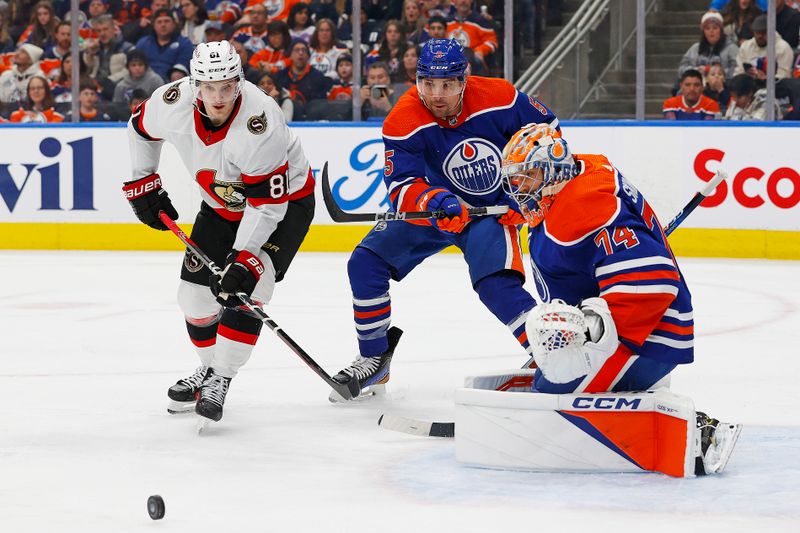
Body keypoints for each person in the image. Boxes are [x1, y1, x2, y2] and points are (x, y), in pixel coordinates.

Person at [496, 122, 740, 476]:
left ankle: (695, 434)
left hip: (646, 334)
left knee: (550, 408)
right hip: (629, 329)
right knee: (549, 382)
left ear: (555, 169)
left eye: (528, 176)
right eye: (516, 179)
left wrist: (587, 327)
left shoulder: (581, 209)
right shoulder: (586, 173)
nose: (520, 188)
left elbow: (653, 283)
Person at [329, 39, 558, 400]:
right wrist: (432, 200)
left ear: (464, 79)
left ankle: (552, 355)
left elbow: (547, 135)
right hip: (437, 211)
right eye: (427, 83)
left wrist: (524, 192)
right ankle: (374, 359)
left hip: (491, 212)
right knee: (365, 262)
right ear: (417, 79)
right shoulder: (402, 119)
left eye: (447, 84)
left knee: (496, 285)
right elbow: (401, 185)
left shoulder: (501, 97)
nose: (437, 94)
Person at [123, 40, 315, 424]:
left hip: (285, 205)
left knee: (248, 288)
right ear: (195, 85)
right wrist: (142, 182)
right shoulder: (173, 102)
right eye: (209, 87)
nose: (218, 96)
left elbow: (266, 206)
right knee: (193, 299)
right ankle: (210, 368)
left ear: (238, 81)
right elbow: (139, 128)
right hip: (220, 206)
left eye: (227, 85)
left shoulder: (261, 120)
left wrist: (243, 259)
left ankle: (222, 378)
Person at [134, 8, 193, 80]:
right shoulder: (143, 43)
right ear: (153, 25)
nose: (163, 25)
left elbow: (182, 66)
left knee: (177, 75)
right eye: (159, 22)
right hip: (145, 81)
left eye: (167, 21)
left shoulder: (184, 43)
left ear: (174, 24)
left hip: (170, 83)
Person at [678, 11, 738, 81]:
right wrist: (696, 71)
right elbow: (681, 69)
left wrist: (713, 72)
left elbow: (737, 70)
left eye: (715, 28)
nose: (711, 31)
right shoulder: (695, 48)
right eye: (707, 28)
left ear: (721, 31)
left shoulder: (731, 48)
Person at [733, 14, 793, 80]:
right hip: (749, 86)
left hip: (775, 87)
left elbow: (783, 76)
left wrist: (765, 79)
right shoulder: (746, 46)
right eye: (757, 33)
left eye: (763, 33)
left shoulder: (783, 48)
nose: (760, 36)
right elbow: (739, 72)